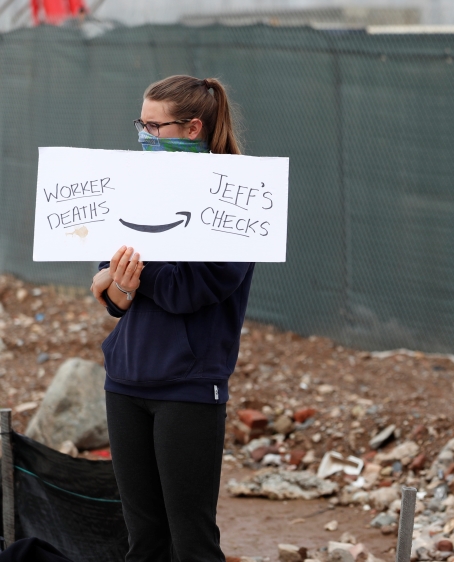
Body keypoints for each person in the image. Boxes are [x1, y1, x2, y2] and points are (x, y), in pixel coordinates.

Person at [88, 75, 252, 561]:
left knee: (191, 542)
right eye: (141, 124)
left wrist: (129, 273)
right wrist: (118, 283)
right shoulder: (140, 182)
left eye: (154, 126)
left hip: (189, 388)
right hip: (124, 382)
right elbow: (111, 295)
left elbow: (190, 289)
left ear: (192, 127)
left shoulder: (236, 196)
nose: (145, 136)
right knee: (144, 542)